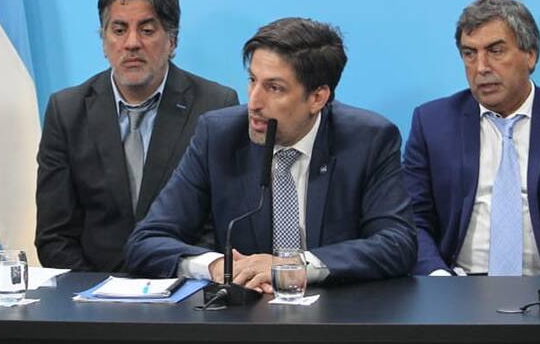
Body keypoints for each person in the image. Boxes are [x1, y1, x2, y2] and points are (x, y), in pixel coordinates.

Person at [124, 17, 417, 290]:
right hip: (246, 319)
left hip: (338, 319)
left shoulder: (368, 139)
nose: (254, 102)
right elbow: (146, 241)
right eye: (252, 81)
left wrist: (295, 265)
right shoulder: (218, 135)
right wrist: (215, 266)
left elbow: (397, 244)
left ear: (317, 97)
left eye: (274, 88)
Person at [35, 0, 238, 270]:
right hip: (93, 296)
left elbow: (219, 224)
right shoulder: (67, 110)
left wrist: (180, 276)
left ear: (172, 41)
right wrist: (100, 292)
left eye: (146, 30)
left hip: (184, 290)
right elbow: (54, 235)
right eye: (118, 30)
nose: (131, 43)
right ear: (104, 41)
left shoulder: (214, 106)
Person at [403, 0, 540, 276]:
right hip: (455, 285)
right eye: (469, 53)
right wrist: (438, 278)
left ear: (530, 55)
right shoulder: (432, 122)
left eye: (496, 51)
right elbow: (412, 220)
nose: (481, 67)